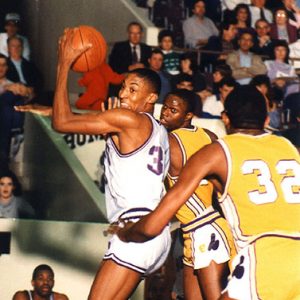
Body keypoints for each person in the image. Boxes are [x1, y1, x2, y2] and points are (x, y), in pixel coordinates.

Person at [17, 28, 171, 300]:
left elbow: (62, 124)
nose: (123, 94)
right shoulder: (155, 129)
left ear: (151, 99)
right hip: (153, 232)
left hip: (136, 227)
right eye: (123, 87)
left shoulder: (128, 120)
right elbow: (75, 119)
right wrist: (51, 110)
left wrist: (64, 63)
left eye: (133, 90)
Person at [114, 84, 300, 299]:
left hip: (264, 255)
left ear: (225, 118)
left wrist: (126, 231)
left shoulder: (216, 152)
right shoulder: (289, 148)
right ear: (267, 119)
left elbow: (153, 226)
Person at [159, 89, 235, 299]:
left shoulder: (168, 142)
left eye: (173, 110)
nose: (165, 112)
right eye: (165, 107)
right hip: (199, 229)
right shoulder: (208, 136)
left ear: (188, 116)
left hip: (205, 229)